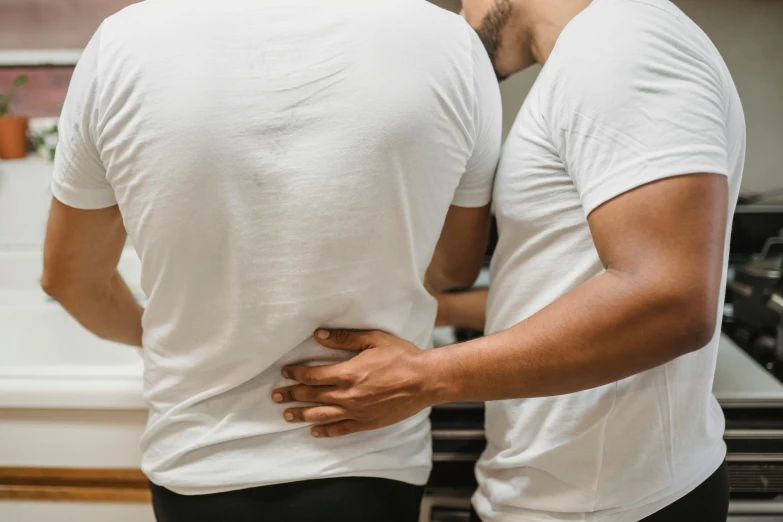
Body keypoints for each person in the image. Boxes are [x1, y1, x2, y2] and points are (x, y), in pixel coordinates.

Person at [273, 0, 746, 521]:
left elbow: (668, 300)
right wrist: (441, 312)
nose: (459, 19)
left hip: (607, 505)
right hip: (571, 495)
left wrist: (425, 376)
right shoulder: (598, 50)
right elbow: (569, 283)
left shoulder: (622, 44)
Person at [40, 0, 502, 520]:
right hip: (371, 455)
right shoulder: (452, 44)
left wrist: (178, 336)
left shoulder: (122, 44)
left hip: (199, 458)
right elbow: (453, 269)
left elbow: (70, 279)